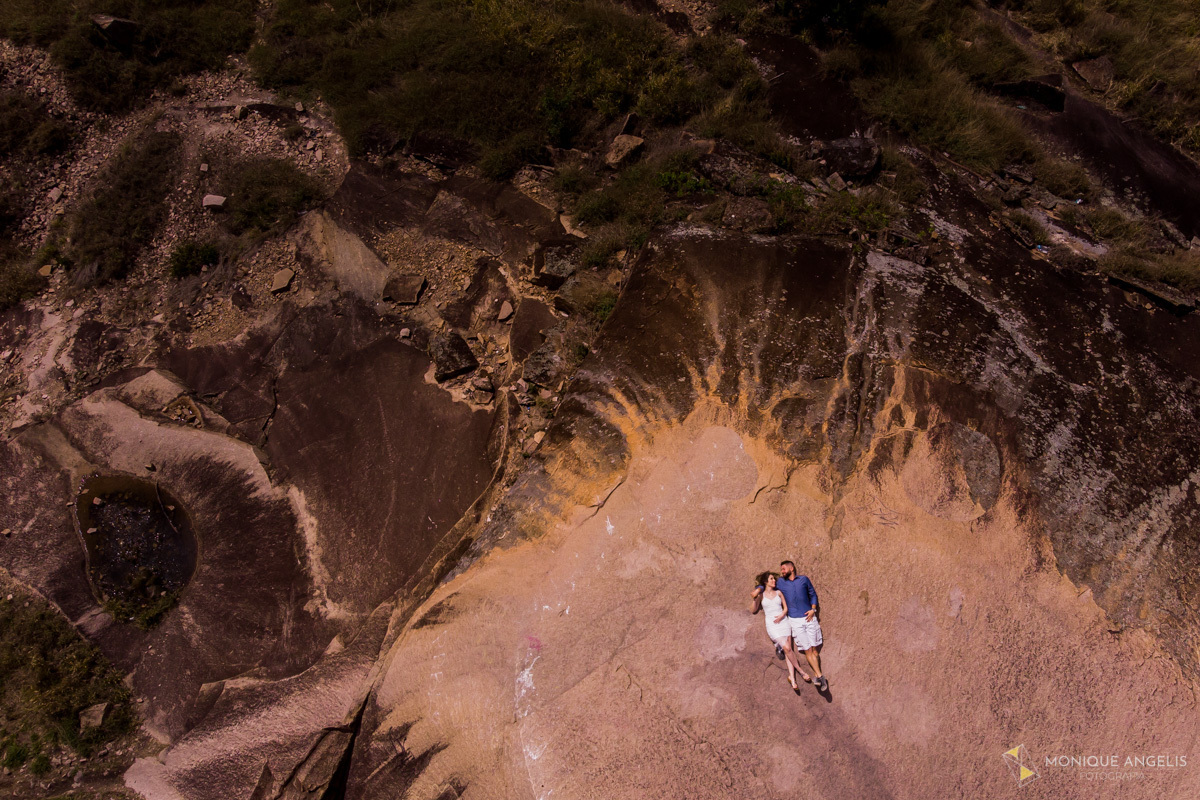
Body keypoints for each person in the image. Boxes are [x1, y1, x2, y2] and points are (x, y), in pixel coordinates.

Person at [753, 560, 827, 691]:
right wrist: (758, 589)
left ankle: (818, 675)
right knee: (807, 650)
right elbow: (765, 586)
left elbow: (813, 594)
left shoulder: (803, 579)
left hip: (809, 617)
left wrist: (813, 609)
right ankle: (819, 676)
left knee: (814, 650)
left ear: (791, 568)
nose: (781, 572)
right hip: (795, 620)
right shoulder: (780, 582)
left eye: (783, 569)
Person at [751, 571, 811, 690]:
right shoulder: (761, 595)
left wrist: (782, 615)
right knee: (787, 648)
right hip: (773, 626)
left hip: (784, 622)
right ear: (765, 582)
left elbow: (785, 608)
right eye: (772, 579)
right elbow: (753, 610)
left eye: (774, 579)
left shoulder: (778, 592)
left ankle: (792, 679)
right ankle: (801, 671)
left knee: (789, 650)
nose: (774, 581)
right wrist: (755, 598)